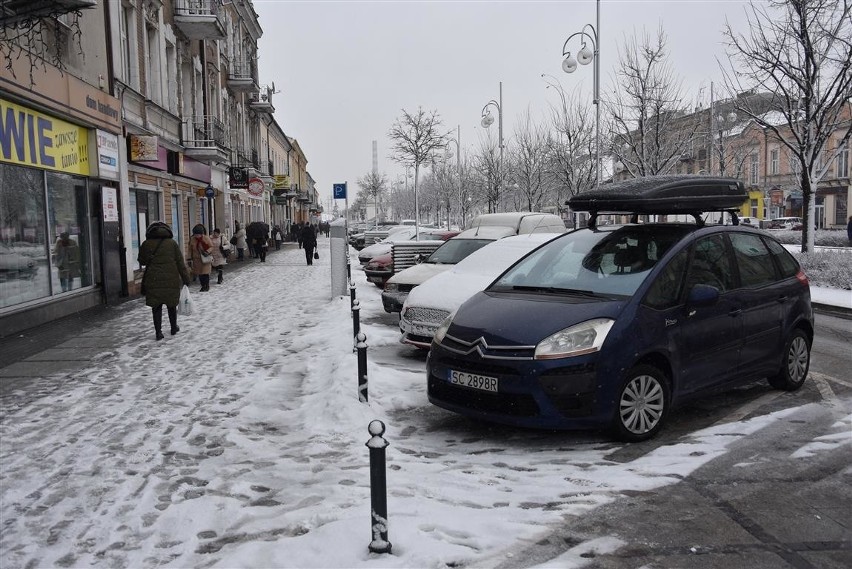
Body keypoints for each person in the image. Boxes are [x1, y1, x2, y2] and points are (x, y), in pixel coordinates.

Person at [138, 222, 191, 341]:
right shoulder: (172, 244)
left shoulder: (146, 244)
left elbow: (142, 261)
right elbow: (180, 263)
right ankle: (173, 327)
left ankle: (158, 332)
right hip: (170, 279)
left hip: (153, 279)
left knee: (156, 307)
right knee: (171, 305)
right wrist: (185, 278)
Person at [190, 224, 214, 292]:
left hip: (205, 258)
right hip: (197, 259)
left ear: (201, 234)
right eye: (195, 234)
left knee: (205, 273)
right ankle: (203, 286)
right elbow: (190, 250)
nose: (196, 236)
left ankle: (206, 285)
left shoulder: (206, 238)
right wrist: (189, 258)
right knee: (200, 274)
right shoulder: (192, 239)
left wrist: (207, 251)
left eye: (198, 234)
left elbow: (211, 246)